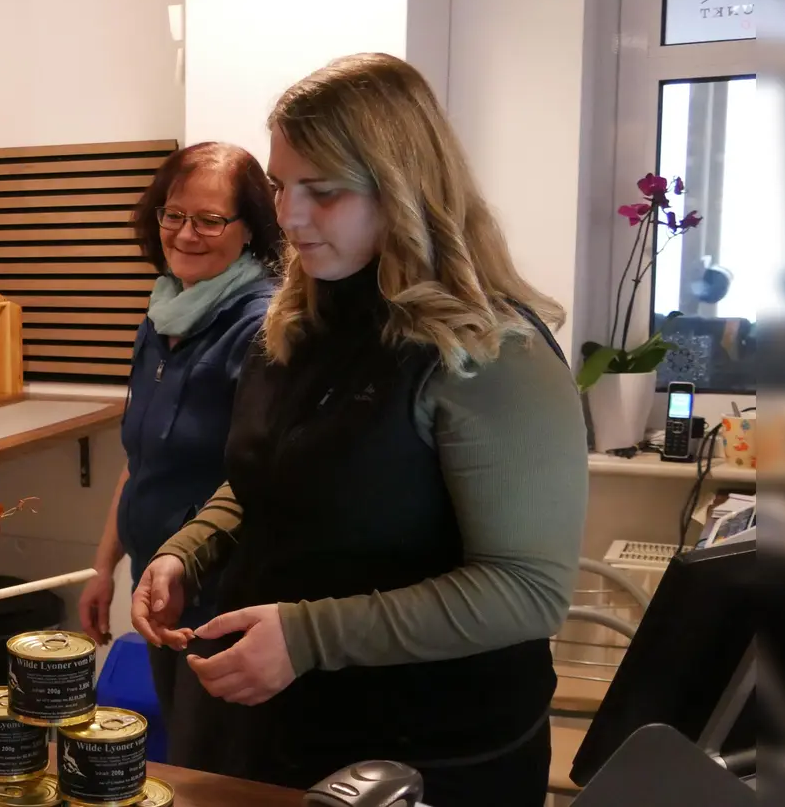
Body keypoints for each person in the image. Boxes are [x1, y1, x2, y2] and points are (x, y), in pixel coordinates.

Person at [131, 53, 588, 806]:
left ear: (406, 190)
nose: (288, 216)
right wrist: (191, 548)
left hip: (429, 752)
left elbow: (526, 591)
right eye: (281, 185)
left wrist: (310, 635)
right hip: (278, 728)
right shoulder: (298, 320)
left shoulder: (489, 352)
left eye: (326, 191)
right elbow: (276, 476)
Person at [76, 142, 281, 768]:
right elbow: (142, 459)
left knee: (211, 772)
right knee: (176, 762)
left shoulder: (262, 326)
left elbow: (262, 482)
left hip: (224, 607)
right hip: (155, 594)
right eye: (173, 214)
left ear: (250, 230)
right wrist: (103, 564)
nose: (186, 234)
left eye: (210, 219)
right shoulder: (163, 312)